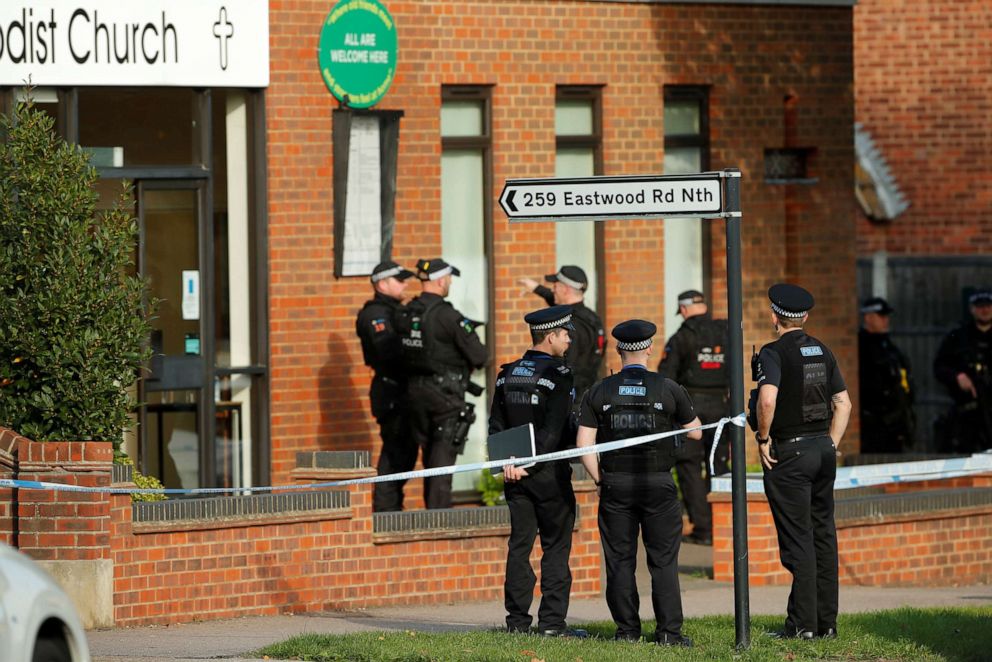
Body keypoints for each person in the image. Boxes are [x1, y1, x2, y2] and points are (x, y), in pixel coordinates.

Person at [576, 319, 701, 647]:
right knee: (663, 561)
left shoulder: (599, 391)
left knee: (619, 561)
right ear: (648, 349)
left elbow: (583, 446)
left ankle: (627, 632)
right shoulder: (668, 388)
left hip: (616, 484)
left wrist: (600, 478)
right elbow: (696, 430)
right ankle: (669, 634)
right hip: (658, 483)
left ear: (619, 350)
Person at [754, 284, 852, 640]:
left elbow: (767, 400)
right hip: (822, 450)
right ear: (805, 317)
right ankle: (826, 624)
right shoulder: (822, 350)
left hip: (790, 453)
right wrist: (830, 443)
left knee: (799, 541)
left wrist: (763, 439)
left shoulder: (773, 352)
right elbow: (843, 403)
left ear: (774, 315)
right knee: (824, 536)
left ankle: (802, 626)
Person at [489, 305, 582, 637]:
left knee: (519, 546)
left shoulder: (506, 373)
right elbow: (553, 430)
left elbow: (496, 424)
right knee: (556, 548)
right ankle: (553, 626)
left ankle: (516, 623)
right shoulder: (559, 375)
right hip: (548, 475)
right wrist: (532, 464)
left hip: (515, 474)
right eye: (565, 334)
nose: (569, 340)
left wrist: (508, 464)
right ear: (551, 335)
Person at [396, 258, 488, 509]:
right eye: (448, 279)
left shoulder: (405, 312)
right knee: (441, 462)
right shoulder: (449, 316)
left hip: (412, 394)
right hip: (444, 398)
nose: (448, 283)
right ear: (440, 280)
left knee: (427, 458)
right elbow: (480, 356)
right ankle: (439, 523)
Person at [658, 289, 729, 546]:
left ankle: (703, 529)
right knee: (719, 467)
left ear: (685, 309)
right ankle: (724, 527)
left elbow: (667, 377)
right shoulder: (726, 331)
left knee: (688, 467)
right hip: (723, 407)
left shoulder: (681, 337)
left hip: (690, 409)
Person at [355, 260, 417, 512]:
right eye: (399, 280)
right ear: (382, 284)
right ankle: (385, 515)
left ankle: (392, 510)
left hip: (403, 390)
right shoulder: (375, 314)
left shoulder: (396, 311)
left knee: (406, 456)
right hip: (390, 391)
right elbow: (387, 350)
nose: (405, 284)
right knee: (394, 454)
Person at [520, 265, 605, 399]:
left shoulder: (571, 326)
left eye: (555, 285)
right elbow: (554, 302)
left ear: (565, 289)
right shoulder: (592, 318)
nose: (552, 289)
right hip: (590, 394)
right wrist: (536, 288)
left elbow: (565, 366)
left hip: (573, 400)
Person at [933, 289, 992, 453]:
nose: (985, 310)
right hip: (967, 414)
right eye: (980, 306)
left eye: (988, 306)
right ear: (972, 309)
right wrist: (957, 376)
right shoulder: (958, 337)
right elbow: (939, 367)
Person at [858, 296, 915, 454]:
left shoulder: (889, 347)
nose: (886, 321)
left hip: (895, 423)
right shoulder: (861, 346)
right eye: (881, 316)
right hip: (873, 423)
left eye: (886, 317)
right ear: (868, 318)